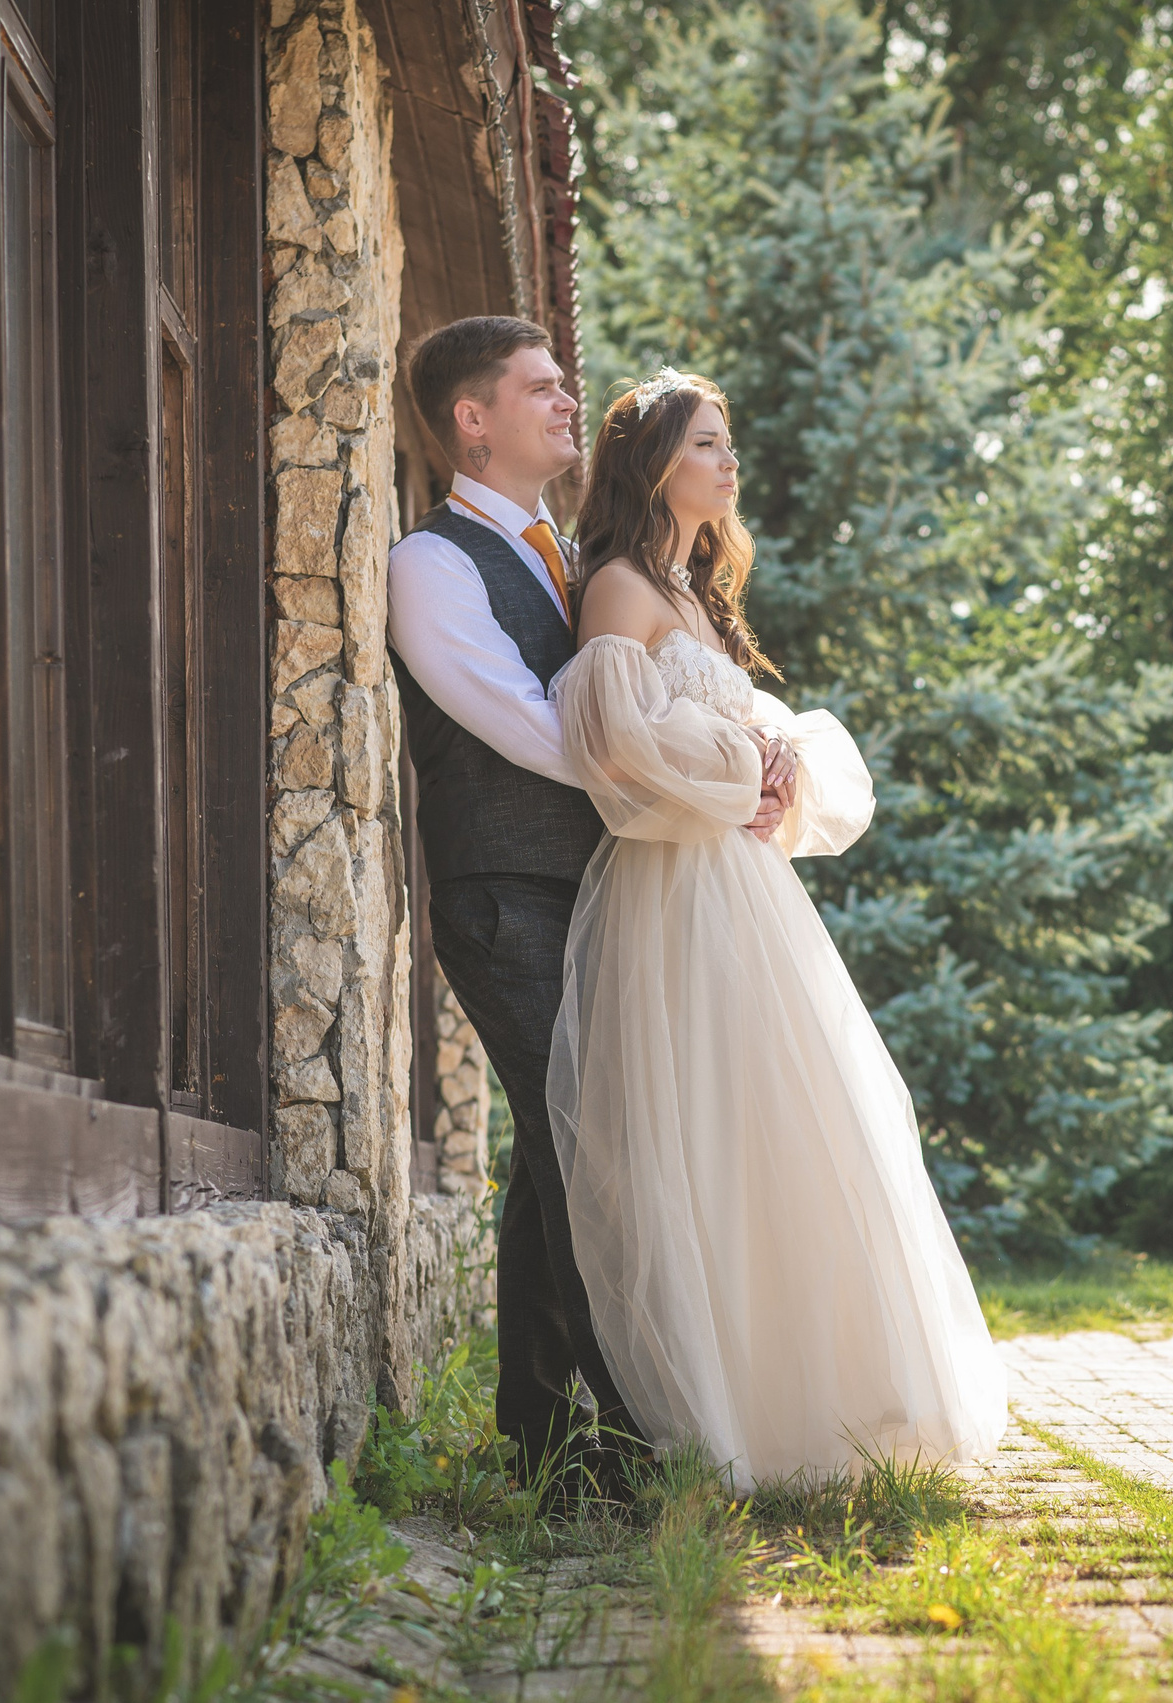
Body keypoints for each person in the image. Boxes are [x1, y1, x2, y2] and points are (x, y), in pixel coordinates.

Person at [545, 370, 1008, 1487]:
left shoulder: (693, 594)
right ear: (656, 463)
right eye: (708, 442)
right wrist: (739, 765)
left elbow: (720, 735)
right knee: (707, 1122)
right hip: (673, 890)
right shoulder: (617, 587)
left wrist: (776, 760)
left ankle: (838, 1399)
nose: (728, 460)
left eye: (728, 441)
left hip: (745, 889)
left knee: (798, 1118)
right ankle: (737, 1412)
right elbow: (614, 746)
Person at [386, 317, 771, 1491]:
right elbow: (541, 729)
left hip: (595, 889)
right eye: (541, 387)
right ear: (472, 418)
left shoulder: (570, 555)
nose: (569, 403)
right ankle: (630, 1438)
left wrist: (732, 743)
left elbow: (635, 690)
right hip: (508, 895)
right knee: (591, 1154)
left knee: (559, 1151)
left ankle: (548, 1439)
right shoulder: (434, 564)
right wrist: (703, 770)